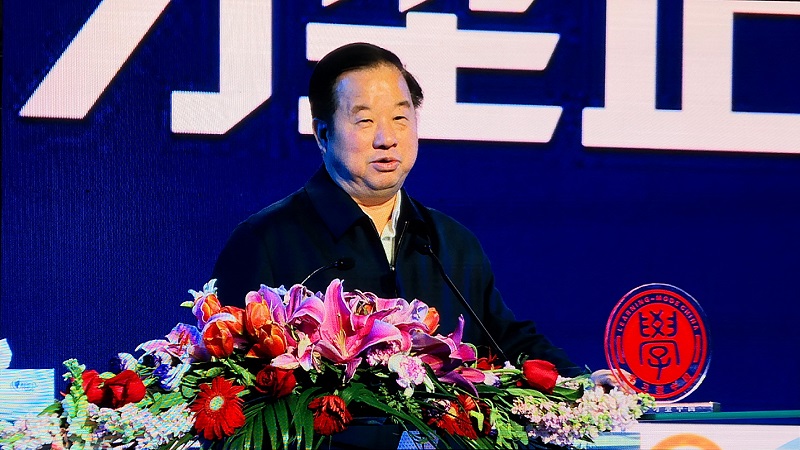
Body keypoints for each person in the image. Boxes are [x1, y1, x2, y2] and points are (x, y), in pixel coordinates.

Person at [211, 42, 583, 377]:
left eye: (400, 118)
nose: (386, 138)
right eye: (365, 120)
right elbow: (230, 378)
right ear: (323, 134)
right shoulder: (265, 242)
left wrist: (579, 384)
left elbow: (506, 342)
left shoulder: (451, 244)